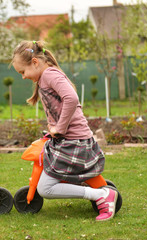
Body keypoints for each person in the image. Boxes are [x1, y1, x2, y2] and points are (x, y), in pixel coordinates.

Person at [11, 40, 118, 221]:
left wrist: (59, 128)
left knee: (45, 189)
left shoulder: (50, 74)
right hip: (68, 140)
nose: (22, 76)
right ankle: (98, 192)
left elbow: (72, 98)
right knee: (47, 180)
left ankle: (101, 195)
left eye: (23, 71)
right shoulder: (45, 77)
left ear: (35, 62)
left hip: (74, 142)